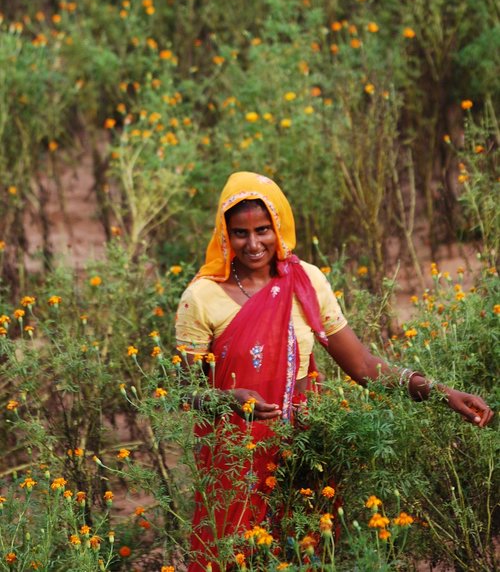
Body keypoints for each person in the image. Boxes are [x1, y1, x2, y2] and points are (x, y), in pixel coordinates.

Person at [175, 171, 493, 571]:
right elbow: (184, 391)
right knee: (235, 556)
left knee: (305, 552)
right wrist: (229, 400)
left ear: (280, 227)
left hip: (304, 446)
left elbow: (361, 365)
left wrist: (441, 392)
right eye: (240, 233)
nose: (253, 244)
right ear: (225, 233)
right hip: (236, 458)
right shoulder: (201, 297)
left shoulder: (305, 281)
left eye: (263, 230)